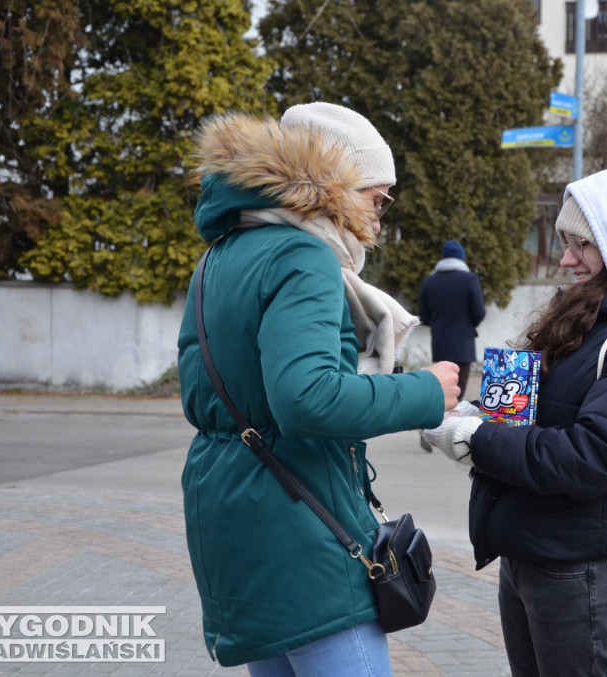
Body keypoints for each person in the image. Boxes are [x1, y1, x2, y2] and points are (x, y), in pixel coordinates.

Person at [176, 102, 460, 676]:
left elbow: (200, 398)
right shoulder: (304, 256)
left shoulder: (219, 257)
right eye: (376, 197)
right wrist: (427, 392)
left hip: (236, 518)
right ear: (337, 187)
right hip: (302, 533)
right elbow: (307, 398)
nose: (379, 218)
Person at [424, 165, 607, 677]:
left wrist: (477, 439)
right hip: (531, 554)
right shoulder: (583, 320)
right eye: (565, 242)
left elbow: (594, 457)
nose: (567, 259)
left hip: (580, 572)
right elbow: (531, 420)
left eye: (583, 245)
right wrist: (472, 417)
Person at [417, 240, 487, 400]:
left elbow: (423, 316)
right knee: (458, 390)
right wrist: (469, 325)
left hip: (440, 343)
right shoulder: (470, 280)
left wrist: (438, 324)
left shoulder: (429, 282)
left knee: (442, 388)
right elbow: (479, 312)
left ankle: (439, 421)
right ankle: (452, 421)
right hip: (463, 344)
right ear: (461, 259)